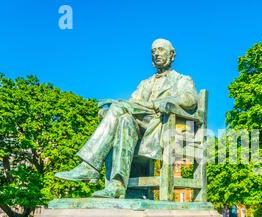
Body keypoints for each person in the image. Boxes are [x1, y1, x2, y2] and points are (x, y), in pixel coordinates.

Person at [55, 39, 199, 198]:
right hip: (140, 127)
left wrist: (161, 103)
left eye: (160, 50)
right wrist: (117, 106)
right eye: (153, 51)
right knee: (124, 120)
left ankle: (90, 166)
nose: (156, 54)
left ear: (172, 55)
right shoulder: (145, 83)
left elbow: (190, 100)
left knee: (118, 108)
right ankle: (117, 185)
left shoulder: (182, 79)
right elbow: (131, 106)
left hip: (161, 124)